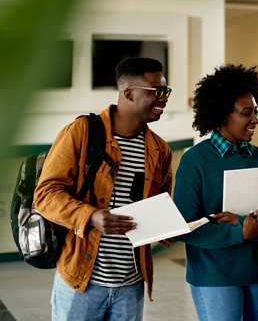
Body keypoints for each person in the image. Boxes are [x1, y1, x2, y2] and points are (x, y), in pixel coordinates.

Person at [34, 57, 174, 321]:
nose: (164, 98)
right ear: (129, 93)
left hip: (131, 285)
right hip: (81, 283)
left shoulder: (159, 150)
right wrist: (90, 217)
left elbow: (161, 205)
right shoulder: (81, 132)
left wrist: (175, 228)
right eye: (157, 91)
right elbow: (45, 194)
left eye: (165, 91)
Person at [173, 64, 258, 321]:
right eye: (247, 113)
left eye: (256, 112)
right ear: (224, 115)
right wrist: (241, 231)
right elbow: (185, 225)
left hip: (253, 270)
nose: (255, 120)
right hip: (213, 274)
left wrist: (250, 223)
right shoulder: (195, 161)